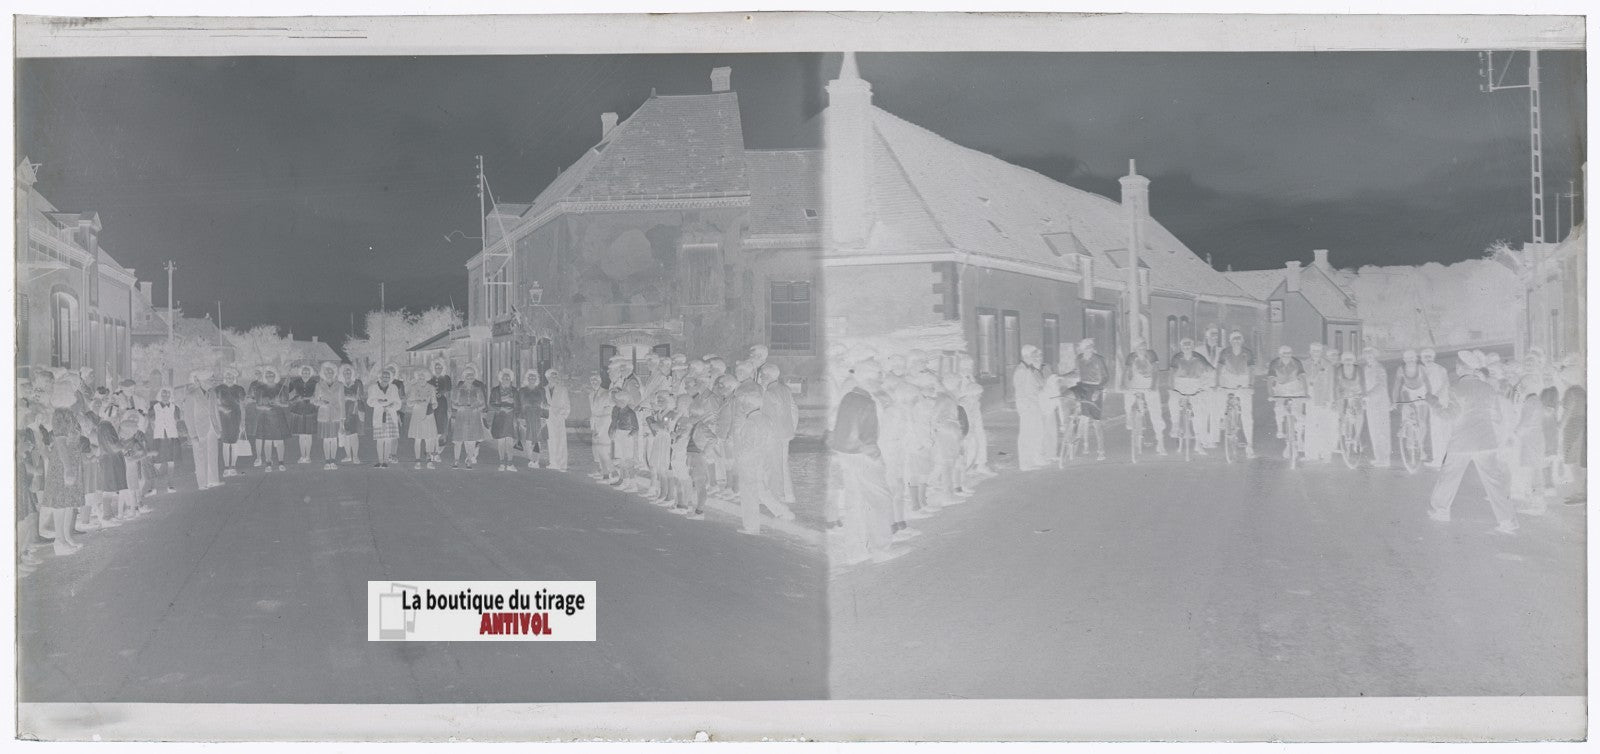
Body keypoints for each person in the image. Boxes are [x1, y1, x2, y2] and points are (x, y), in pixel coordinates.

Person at [1428, 351, 1517, 535]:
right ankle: (1507, 519)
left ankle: (1441, 510)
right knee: (1494, 480)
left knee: (1449, 476)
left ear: (1459, 368)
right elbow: (1497, 417)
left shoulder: (1456, 389)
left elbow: (1449, 415)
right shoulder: (1488, 388)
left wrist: (1434, 403)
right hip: (1485, 441)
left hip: (1461, 442)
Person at [829, 360, 905, 565]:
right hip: (865, 458)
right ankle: (881, 549)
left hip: (847, 456)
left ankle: (855, 551)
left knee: (854, 504)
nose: (881, 381)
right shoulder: (868, 402)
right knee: (880, 501)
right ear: (870, 379)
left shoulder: (848, 397)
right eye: (879, 377)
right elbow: (869, 439)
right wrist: (878, 458)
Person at [41, 379, 87, 555]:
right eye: (72, 389)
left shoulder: (68, 413)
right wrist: (68, 468)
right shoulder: (60, 414)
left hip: (71, 461)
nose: (75, 393)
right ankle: (59, 541)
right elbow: (60, 443)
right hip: (62, 463)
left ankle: (66, 537)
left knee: (69, 502)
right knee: (60, 503)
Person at [758, 362, 798, 503]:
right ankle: (788, 495)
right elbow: (794, 410)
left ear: (768, 376)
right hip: (786, 433)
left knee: (773, 466)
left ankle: (777, 496)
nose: (760, 378)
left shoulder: (768, 393)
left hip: (774, 435)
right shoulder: (785, 389)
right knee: (783, 464)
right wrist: (792, 428)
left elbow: (767, 418)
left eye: (762, 375)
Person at [1213, 330, 1256, 459]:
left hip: (1243, 381)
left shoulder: (1248, 353)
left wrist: (1250, 385)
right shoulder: (1225, 352)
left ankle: (1249, 445)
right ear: (1230, 341)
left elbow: (1251, 370)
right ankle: (1223, 418)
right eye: (1234, 339)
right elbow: (1219, 369)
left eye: (1238, 339)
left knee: (1246, 414)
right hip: (1228, 380)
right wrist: (1217, 384)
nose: (1236, 341)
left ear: (1242, 341)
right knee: (1220, 396)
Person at [1168, 337, 1212, 455]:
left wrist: (1206, 383)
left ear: (1192, 347)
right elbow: (1172, 374)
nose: (1187, 347)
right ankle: (1175, 425)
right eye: (1184, 345)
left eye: (1189, 345)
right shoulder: (1177, 358)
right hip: (1180, 386)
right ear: (1181, 347)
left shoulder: (1199, 357)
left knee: (1198, 414)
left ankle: (1198, 444)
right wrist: (1171, 388)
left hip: (1195, 386)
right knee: (1173, 400)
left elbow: (1210, 370)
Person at [1123, 338, 1167, 456]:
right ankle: (1128, 416)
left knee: (1156, 414)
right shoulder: (1131, 356)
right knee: (1127, 397)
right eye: (1139, 348)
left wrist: (1153, 385)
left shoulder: (1151, 354)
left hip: (1150, 385)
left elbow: (1156, 371)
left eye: (1144, 347)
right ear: (1135, 349)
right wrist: (1125, 385)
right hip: (1136, 385)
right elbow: (1126, 372)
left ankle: (1160, 443)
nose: (1142, 349)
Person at [181, 369, 222, 490]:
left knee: (213, 454)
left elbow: (215, 411)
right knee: (200, 456)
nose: (213, 381)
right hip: (199, 430)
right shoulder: (192, 394)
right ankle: (203, 483)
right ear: (202, 381)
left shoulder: (212, 393)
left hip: (212, 428)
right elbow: (188, 417)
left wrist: (219, 428)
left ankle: (214, 480)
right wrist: (193, 435)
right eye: (210, 380)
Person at [1070, 338, 1110, 461]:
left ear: (1093, 348)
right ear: (1082, 349)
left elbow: (1105, 377)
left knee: (1096, 421)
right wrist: (1063, 377)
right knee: (1082, 418)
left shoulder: (1099, 359)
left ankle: (1101, 451)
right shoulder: (1079, 359)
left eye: (1090, 347)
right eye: (1086, 348)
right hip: (1083, 388)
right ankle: (1077, 448)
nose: (1088, 350)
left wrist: (1098, 390)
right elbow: (1076, 372)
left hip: (1095, 388)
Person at [1391, 349, 1432, 465]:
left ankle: (1420, 446)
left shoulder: (1421, 368)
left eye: (1412, 358)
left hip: (1420, 393)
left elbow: (1427, 383)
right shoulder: (1401, 369)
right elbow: (1397, 385)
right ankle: (1407, 433)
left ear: (1416, 358)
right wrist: (1394, 401)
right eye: (1408, 359)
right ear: (1404, 360)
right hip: (1407, 392)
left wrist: (1429, 395)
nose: (1410, 360)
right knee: (1408, 415)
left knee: (1422, 421)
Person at [1267, 345, 1307, 460]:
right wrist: (1271, 394)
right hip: (1281, 388)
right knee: (1278, 408)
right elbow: (1270, 380)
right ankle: (1280, 429)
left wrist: (1306, 393)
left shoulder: (1296, 362)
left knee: (1299, 415)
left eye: (1289, 353)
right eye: (1284, 353)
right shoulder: (1274, 363)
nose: (1287, 355)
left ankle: (1300, 438)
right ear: (1279, 355)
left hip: (1295, 388)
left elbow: (1303, 378)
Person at [1012, 344, 1048, 470]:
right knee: (1027, 434)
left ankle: (1035, 458)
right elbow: (1020, 391)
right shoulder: (1021, 370)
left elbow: (1039, 384)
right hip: (1027, 406)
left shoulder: (1030, 368)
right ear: (1027, 356)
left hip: (1035, 404)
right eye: (1033, 354)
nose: (1035, 357)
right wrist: (1025, 406)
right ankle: (1025, 463)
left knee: (1037, 432)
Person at [1360, 346, 1392, 468]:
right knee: (1374, 431)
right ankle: (1379, 457)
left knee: (1382, 431)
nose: (1369, 357)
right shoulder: (1365, 369)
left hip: (1381, 403)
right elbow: (1364, 385)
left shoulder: (1379, 368)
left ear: (1375, 356)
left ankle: (1385, 459)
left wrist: (1369, 394)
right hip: (1370, 403)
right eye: (1367, 355)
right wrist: (1365, 398)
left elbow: (1381, 385)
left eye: (1371, 355)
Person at [450, 365, 488, 469]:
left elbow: (483, 404)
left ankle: (469, 460)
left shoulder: (478, 389)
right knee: (458, 439)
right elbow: (453, 404)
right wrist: (460, 406)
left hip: (474, 416)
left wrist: (476, 407)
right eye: (468, 376)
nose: (470, 379)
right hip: (461, 415)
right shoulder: (458, 389)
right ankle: (456, 461)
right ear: (464, 377)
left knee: (471, 439)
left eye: (472, 377)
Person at [1420, 348, 1451, 469]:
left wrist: (1436, 397)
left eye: (1430, 356)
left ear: (1433, 357)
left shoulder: (1440, 369)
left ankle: (1441, 460)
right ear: (1422, 359)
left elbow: (1445, 385)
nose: (1427, 359)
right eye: (1425, 357)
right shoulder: (1423, 370)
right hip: (1431, 403)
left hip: (1440, 403)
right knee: (1435, 432)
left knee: (1440, 432)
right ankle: (1438, 459)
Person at [149, 386, 183, 493]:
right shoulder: (154, 407)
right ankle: (153, 487)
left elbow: (177, 421)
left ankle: (170, 484)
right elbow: (152, 423)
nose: (165, 396)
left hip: (171, 437)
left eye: (168, 394)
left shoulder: (175, 408)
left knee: (170, 461)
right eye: (163, 393)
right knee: (156, 462)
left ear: (171, 395)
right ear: (160, 395)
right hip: (159, 437)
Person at [367, 368, 403, 469]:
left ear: (390, 378)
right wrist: (378, 402)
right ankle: (380, 461)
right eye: (384, 376)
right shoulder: (374, 387)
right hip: (379, 415)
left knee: (388, 440)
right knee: (379, 440)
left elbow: (398, 403)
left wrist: (392, 406)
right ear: (380, 377)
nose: (386, 378)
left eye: (388, 376)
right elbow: (369, 401)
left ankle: (386, 461)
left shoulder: (394, 388)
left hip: (390, 415)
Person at [405, 367, 439, 470]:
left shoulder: (431, 388)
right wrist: (416, 401)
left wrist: (434, 405)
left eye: (423, 378)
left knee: (429, 439)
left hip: (428, 414)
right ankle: (417, 461)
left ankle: (429, 461)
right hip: (417, 414)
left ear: (427, 378)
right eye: (419, 378)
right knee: (418, 439)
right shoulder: (413, 387)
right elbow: (409, 403)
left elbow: (435, 402)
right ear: (417, 378)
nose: (421, 379)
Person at [285, 363, 319, 464]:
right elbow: (287, 393)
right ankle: (302, 456)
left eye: (307, 372)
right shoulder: (295, 382)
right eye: (304, 372)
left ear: (310, 373)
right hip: (298, 408)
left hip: (310, 408)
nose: (305, 374)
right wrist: (295, 398)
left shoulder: (315, 383)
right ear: (301, 373)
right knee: (301, 434)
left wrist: (313, 399)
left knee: (308, 434)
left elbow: (318, 396)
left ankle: (308, 456)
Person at [488, 368, 521, 471]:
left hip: (511, 417)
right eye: (504, 378)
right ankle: (502, 463)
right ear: (500, 379)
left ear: (511, 379)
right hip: (499, 417)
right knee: (501, 440)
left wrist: (517, 416)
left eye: (508, 378)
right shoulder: (495, 390)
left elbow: (518, 405)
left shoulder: (514, 391)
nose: (506, 380)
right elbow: (491, 403)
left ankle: (510, 463)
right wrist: (501, 407)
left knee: (510, 440)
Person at [313, 362, 344, 470]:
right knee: (326, 439)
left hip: (336, 415)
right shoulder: (319, 385)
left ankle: (333, 461)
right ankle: (327, 461)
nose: (329, 373)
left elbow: (342, 402)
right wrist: (321, 403)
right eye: (327, 372)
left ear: (334, 372)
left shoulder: (340, 385)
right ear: (323, 373)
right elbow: (315, 400)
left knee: (334, 439)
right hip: (324, 414)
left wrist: (342, 419)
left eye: (331, 371)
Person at [587, 374, 614, 481]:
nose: (594, 382)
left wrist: (601, 429)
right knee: (597, 449)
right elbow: (593, 412)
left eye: (596, 380)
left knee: (603, 449)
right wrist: (593, 426)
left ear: (600, 381)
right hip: (595, 424)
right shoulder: (591, 394)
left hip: (604, 424)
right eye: (592, 380)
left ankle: (608, 473)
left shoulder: (606, 393)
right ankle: (604, 470)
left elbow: (608, 411)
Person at [518, 368, 546, 470]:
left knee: (537, 439)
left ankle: (536, 461)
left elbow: (544, 404)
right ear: (527, 378)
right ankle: (530, 459)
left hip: (538, 415)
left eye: (534, 377)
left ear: (537, 378)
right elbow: (519, 405)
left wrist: (543, 417)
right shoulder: (522, 390)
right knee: (528, 439)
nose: (532, 379)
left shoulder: (541, 390)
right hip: (526, 415)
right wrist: (521, 418)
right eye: (530, 377)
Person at [337, 363, 365, 465]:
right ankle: (348, 456)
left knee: (354, 434)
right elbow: (337, 398)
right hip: (342, 411)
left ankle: (356, 456)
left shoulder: (357, 382)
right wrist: (349, 397)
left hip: (354, 411)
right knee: (345, 434)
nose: (347, 374)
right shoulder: (339, 384)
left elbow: (360, 396)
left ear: (352, 372)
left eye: (349, 372)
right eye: (345, 372)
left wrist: (349, 397)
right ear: (342, 373)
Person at [544, 369, 571, 472]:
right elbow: (541, 403)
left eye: (555, 376)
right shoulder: (543, 389)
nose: (554, 378)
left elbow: (567, 405)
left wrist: (562, 416)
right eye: (552, 376)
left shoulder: (562, 389)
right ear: (547, 377)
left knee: (561, 441)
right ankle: (553, 463)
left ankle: (562, 464)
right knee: (551, 440)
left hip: (559, 418)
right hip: (548, 418)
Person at [427, 358, 453, 450]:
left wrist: (449, 407)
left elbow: (449, 394)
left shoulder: (446, 378)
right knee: (432, 423)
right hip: (432, 402)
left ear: (443, 368)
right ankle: (432, 447)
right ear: (433, 368)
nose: (438, 369)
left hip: (442, 403)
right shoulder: (430, 378)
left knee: (442, 423)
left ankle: (440, 446)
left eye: (440, 367)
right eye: (436, 367)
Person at [246, 365, 269, 466]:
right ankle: (258, 458)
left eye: (260, 372)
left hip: (268, 411)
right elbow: (249, 396)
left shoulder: (268, 383)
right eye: (256, 373)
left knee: (268, 435)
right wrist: (251, 399)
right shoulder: (253, 384)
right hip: (257, 412)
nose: (258, 375)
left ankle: (268, 458)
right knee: (258, 435)